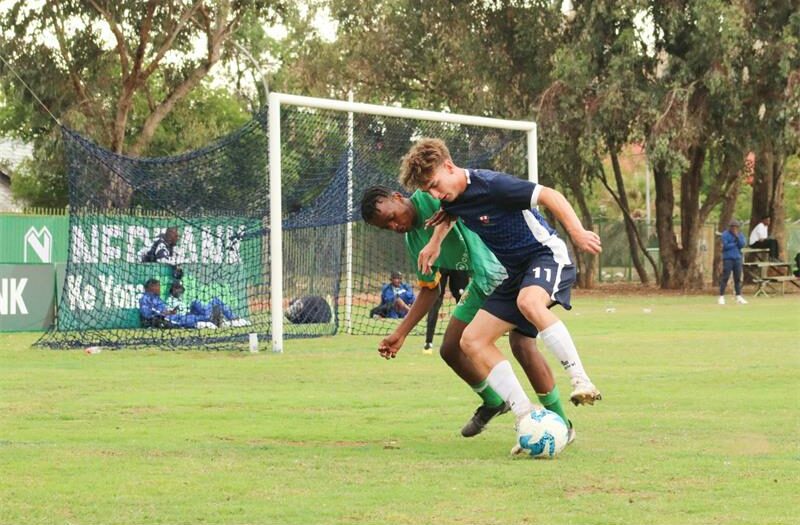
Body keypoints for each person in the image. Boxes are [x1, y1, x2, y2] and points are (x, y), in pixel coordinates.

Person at [400, 138, 602, 437]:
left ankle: (581, 380)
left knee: (528, 303)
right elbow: (450, 213)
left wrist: (577, 232)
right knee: (472, 340)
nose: (435, 194)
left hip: (545, 255)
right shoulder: (451, 197)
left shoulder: (493, 185)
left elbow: (550, 195)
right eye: (428, 190)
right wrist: (435, 243)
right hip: (515, 274)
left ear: (449, 166)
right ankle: (526, 417)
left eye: (434, 185)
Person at [361, 185, 574, 440]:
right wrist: (400, 333)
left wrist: (436, 240)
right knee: (451, 348)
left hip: (514, 273)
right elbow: (430, 290)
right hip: (483, 282)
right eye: (387, 227)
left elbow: (459, 201)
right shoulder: (413, 240)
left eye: (392, 217)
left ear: (397, 197)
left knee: (521, 345)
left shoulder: (431, 196)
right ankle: (494, 402)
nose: (394, 226)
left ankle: (562, 425)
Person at [165, 280, 250, 328]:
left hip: (191, 313)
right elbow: (169, 314)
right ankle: (211, 317)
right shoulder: (170, 300)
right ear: (173, 289)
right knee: (212, 302)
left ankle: (230, 317)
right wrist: (174, 310)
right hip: (186, 317)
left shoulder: (180, 298)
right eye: (178, 289)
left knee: (197, 302)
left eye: (180, 289)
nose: (180, 291)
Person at [424, 268, 469, 354]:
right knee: (435, 300)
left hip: (457, 263)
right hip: (441, 263)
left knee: (462, 299)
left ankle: (465, 340)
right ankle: (428, 342)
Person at [139, 278, 216, 329]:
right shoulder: (146, 298)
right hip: (162, 319)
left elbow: (162, 309)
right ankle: (203, 322)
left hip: (169, 316)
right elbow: (146, 313)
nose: (159, 288)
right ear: (151, 287)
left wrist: (170, 311)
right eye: (157, 286)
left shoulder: (157, 298)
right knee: (182, 319)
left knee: (187, 316)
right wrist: (163, 313)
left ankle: (208, 318)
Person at [718, 219, 748, 305]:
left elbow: (742, 245)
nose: (734, 229)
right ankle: (721, 296)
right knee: (725, 277)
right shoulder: (725, 234)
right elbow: (725, 246)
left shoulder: (739, 234)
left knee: (737, 278)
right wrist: (735, 243)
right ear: (730, 227)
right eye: (733, 227)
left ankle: (738, 296)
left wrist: (737, 238)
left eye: (736, 227)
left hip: (737, 258)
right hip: (728, 258)